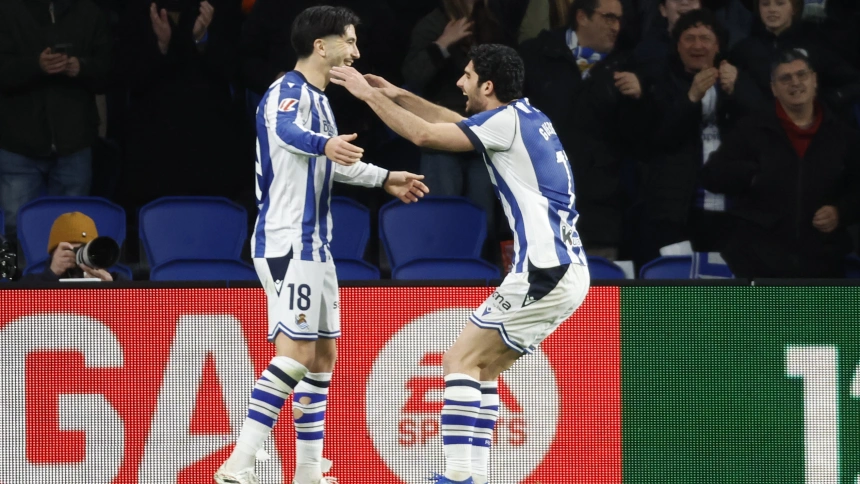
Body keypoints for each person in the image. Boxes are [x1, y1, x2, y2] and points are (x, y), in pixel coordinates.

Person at [330, 43, 590, 484]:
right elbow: (452, 122)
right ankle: (474, 476)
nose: (458, 82)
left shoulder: (506, 123)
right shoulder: (526, 117)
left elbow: (425, 136)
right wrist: (397, 94)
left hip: (544, 269)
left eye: (466, 76)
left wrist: (367, 94)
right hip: (565, 270)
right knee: (481, 369)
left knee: (458, 361)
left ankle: (458, 476)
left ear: (487, 86)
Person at [214, 6, 429, 484]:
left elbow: (333, 161)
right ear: (321, 46)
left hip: (315, 246)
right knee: (295, 355)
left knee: (323, 358)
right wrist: (324, 145)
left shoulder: (322, 102)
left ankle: (309, 470)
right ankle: (239, 460)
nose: (356, 52)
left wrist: (385, 178)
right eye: (349, 42)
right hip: (288, 240)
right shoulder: (285, 91)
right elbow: (288, 134)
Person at [702, 48, 860, 277]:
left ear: (814, 80)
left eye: (801, 75)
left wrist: (841, 212)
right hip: (758, 262)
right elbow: (712, 175)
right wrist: (752, 175)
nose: (795, 82)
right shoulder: (750, 129)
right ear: (774, 88)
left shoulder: (844, 135)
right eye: (785, 78)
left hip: (822, 262)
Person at [519, 0, 649, 260]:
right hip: (541, 205)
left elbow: (639, 139)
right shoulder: (534, 55)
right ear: (582, 17)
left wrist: (639, 99)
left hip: (600, 212)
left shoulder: (628, 66)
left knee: (600, 285)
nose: (616, 27)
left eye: (619, 19)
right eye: (609, 17)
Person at [0, 0, 111, 241]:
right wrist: (36, 66)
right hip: (17, 143)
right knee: (14, 230)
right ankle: (8, 267)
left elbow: (110, 72)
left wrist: (81, 67)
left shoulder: (90, 12)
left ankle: (64, 270)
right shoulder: (7, 10)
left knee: (72, 234)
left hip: (74, 142)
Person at [21, 212, 124, 282]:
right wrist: (51, 276)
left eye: (84, 249)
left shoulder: (118, 281)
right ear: (54, 253)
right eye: (69, 250)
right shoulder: (32, 282)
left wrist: (110, 290)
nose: (77, 256)